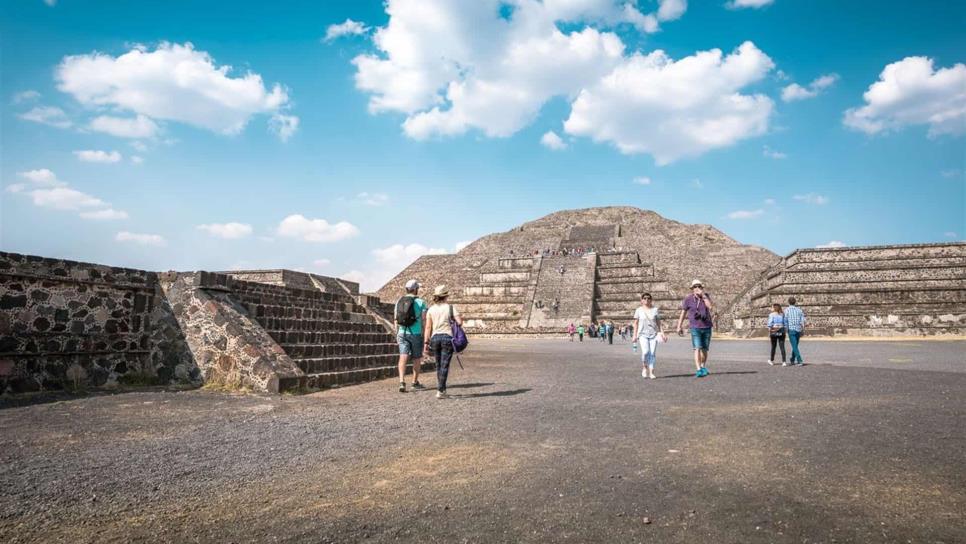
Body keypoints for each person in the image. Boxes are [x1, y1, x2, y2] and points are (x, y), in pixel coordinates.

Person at [424, 285, 463, 399]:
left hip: (435, 338)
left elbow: (427, 327)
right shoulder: (450, 308)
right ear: (446, 296)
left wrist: (426, 343)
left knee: (438, 364)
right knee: (444, 365)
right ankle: (440, 390)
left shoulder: (431, 309)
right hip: (447, 337)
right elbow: (459, 322)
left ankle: (442, 389)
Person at [676, 279, 714, 378]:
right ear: (692, 289)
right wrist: (679, 326)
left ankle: (702, 366)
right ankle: (698, 369)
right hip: (695, 327)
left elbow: (710, 307)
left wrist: (704, 296)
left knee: (705, 349)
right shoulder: (688, 299)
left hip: (707, 326)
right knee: (697, 348)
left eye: (699, 287)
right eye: (695, 287)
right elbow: (683, 313)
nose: (697, 288)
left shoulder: (706, 297)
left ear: (702, 288)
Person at [395, 279, 427, 393]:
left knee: (403, 356)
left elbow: (396, 320)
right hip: (416, 333)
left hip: (402, 333)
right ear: (415, 289)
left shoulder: (399, 301)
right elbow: (424, 320)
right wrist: (425, 333)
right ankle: (414, 382)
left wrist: (396, 333)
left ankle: (402, 382)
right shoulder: (421, 302)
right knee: (416, 358)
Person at [634, 293, 667, 379]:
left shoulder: (655, 310)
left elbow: (658, 323)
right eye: (644, 298)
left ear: (651, 300)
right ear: (641, 300)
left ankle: (651, 372)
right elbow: (636, 323)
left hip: (654, 334)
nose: (646, 300)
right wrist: (634, 336)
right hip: (642, 334)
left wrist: (662, 333)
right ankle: (645, 367)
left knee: (652, 353)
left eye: (648, 298)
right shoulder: (638, 310)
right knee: (645, 352)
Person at [784, 297, 807, 365]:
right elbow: (803, 320)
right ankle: (792, 359)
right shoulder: (799, 310)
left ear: (788, 302)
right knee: (795, 345)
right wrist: (803, 328)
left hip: (791, 329)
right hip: (798, 329)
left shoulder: (786, 310)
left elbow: (785, 321)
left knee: (794, 346)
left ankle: (800, 360)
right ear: (795, 302)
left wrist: (786, 329)